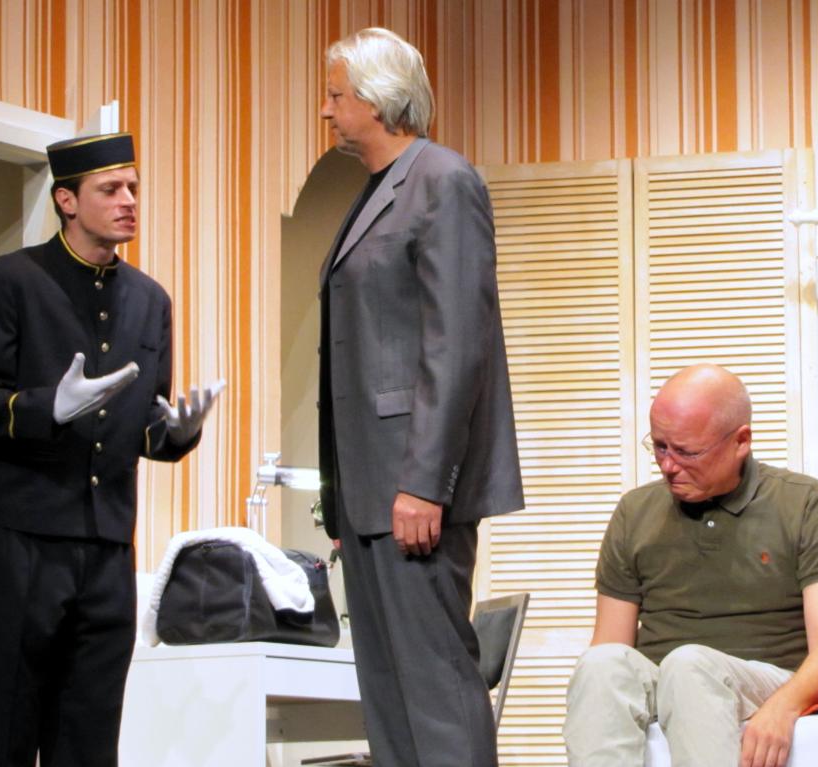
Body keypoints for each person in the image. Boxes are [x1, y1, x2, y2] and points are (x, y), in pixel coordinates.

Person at [0, 132, 222, 766]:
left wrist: (179, 434)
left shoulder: (150, 300)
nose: (129, 201)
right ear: (67, 200)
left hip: (106, 547)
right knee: (3, 728)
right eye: (111, 189)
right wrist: (47, 407)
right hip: (18, 538)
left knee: (91, 735)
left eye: (134, 188)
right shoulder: (8, 281)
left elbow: (145, 425)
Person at [316, 27, 524, 767]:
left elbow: (457, 343)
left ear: (377, 101)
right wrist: (343, 498)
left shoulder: (442, 180)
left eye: (336, 95)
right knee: (388, 698)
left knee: (435, 690)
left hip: (413, 489)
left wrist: (423, 483)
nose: (326, 110)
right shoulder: (375, 192)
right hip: (369, 496)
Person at [563, 364, 818, 767]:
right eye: (660, 446)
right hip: (665, 679)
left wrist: (782, 707)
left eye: (687, 452)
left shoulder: (806, 504)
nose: (668, 465)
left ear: (741, 441)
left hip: (767, 680)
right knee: (599, 665)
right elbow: (610, 643)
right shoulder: (634, 512)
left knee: (689, 666)